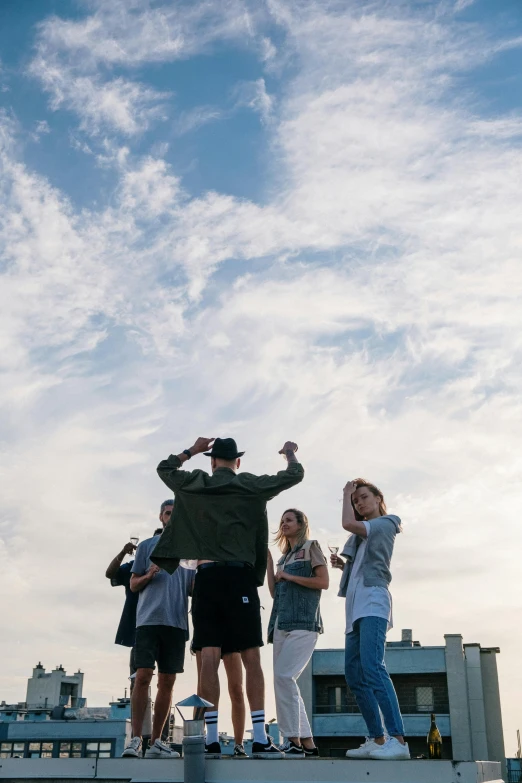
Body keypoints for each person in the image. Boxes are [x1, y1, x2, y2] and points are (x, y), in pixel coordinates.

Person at [152, 436, 304, 759]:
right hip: (239, 580)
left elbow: (164, 469)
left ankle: (209, 739)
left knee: (209, 658)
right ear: (237, 462)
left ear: (211, 462)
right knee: (251, 658)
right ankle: (261, 738)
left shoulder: (197, 483)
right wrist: (290, 454)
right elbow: (295, 475)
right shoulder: (248, 484)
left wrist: (191, 450)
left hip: (206, 579)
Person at [330, 479, 409, 761]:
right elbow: (361, 564)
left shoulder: (386, 523)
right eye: (355, 501)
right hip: (355, 608)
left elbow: (348, 525)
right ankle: (377, 738)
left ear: (378, 499)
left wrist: (345, 492)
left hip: (373, 603)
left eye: (363, 498)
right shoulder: (363, 537)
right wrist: (343, 565)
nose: (359, 503)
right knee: (353, 673)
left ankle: (398, 740)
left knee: (373, 667)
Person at [121, 501, 193, 760]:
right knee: (142, 677)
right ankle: (135, 740)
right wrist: (149, 574)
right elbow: (133, 584)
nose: (172, 518)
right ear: (161, 517)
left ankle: (157, 743)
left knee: (168, 681)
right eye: (168, 513)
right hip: (148, 622)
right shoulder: (146, 547)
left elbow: (193, 588)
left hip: (176, 623)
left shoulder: (190, 548)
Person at [266, 509, 328, 758]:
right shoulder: (283, 557)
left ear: (302, 524)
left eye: (289, 519)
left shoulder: (311, 547)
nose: (284, 523)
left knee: (283, 677)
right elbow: (274, 593)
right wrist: (270, 565)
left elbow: (323, 581)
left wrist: (289, 576)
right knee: (284, 681)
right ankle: (307, 743)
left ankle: (291, 740)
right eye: (282, 520)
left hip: (304, 623)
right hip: (280, 624)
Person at [193, 648, 248, 757]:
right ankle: (198, 741)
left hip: (230, 634)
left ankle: (239, 744)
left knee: (237, 689)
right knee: (202, 691)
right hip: (206, 634)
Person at [105, 540, 139, 679]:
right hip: (138, 629)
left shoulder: (172, 565)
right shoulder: (134, 567)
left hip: (164, 627)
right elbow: (110, 574)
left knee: (165, 678)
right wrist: (123, 552)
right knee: (137, 677)